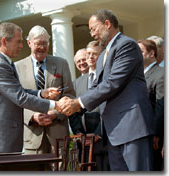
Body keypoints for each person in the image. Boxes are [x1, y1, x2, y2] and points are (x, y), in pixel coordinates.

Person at [55, 9, 154, 171]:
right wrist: (61, 109)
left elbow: (112, 83)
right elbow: (95, 89)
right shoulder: (103, 56)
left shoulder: (126, 45)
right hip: (113, 132)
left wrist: (77, 102)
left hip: (131, 128)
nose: (92, 34)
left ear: (107, 24)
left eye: (94, 29)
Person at [0, 22, 60, 154]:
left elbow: (16, 92)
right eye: (18, 42)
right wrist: (56, 105)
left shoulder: (3, 62)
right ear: (4, 41)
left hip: (2, 139)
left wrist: (41, 93)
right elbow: (20, 97)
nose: (21, 46)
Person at [15, 25, 75, 157]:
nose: (42, 47)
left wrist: (55, 113)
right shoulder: (17, 67)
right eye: (38, 43)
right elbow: (15, 100)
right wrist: (32, 116)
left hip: (58, 135)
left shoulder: (61, 64)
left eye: (45, 43)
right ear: (29, 43)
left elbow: (70, 94)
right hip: (32, 135)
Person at [69, 40, 110, 171]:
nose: (90, 57)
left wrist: (99, 133)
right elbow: (73, 111)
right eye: (88, 54)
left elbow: (110, 107)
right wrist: (79, 133)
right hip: (84, 143)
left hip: (104, 140)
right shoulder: (76, 83)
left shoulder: (108, 79)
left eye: (94, 54)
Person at [138, 39, 164, 171]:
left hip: (154, 137)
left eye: (140, 52)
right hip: (139, 134)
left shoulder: (161, 74)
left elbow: (162, 107)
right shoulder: (138, 76)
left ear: (151, 53)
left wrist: (156, 134)